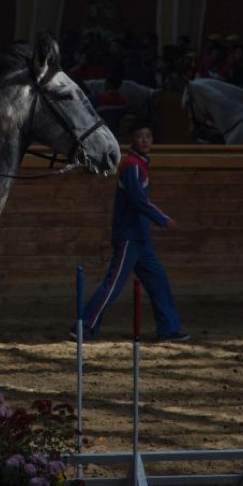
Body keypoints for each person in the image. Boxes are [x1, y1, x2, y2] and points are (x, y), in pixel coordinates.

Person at [69, 118, 189, 343]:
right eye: (140, 136)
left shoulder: (140, 164)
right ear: (133, 139)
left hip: (141, 239)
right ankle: (84, 327)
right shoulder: (132, 165)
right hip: (130, 237)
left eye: (149, 136)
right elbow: (138, 200)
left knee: (158, 282)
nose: (145, 140)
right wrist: (163, 219)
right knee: (113, 284)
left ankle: (168, 328)